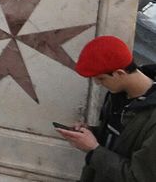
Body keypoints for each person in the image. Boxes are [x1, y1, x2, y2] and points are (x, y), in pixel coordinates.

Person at [55, 35, 156, 181]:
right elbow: (117, 138)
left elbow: (139, 177)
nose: (98, 84)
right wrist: (90, 133)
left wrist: (94, 150)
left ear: (119, 73)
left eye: (101, 79)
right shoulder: (117, 94)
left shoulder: (152, 117)